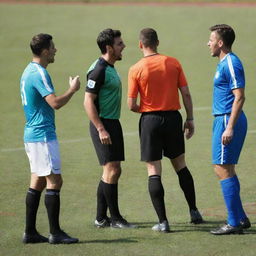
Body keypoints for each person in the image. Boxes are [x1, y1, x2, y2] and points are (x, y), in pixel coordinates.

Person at [128, 28, 203, 233]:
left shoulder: (135, 68)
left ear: (140, 45)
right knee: (180, 165)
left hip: (150, 121)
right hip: (173, 118)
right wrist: (189, 118)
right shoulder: (173, 62)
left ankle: (163, 222)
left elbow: (131, 104)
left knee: (154, 170)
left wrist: (146, 110)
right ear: (158, 42)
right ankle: (194, 211)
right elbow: (186, 94)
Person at [20, 33, 80, 244]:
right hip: (42, 135)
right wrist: (72, 90)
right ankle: (55, 233)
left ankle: (30, 232)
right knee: (55, 180)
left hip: (32, 134)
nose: (55, 50)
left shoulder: (27, 70)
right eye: (53, 47)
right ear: (45, 51)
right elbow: (54, 102)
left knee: (37, 181)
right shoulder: (40, 73)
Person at [83, 28, 135, 229]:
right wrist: (100, 129)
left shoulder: (109, 67)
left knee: (111, 170)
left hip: (112, 122)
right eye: (119, 44)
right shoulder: (99, 70)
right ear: (108, 48)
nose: (123, 46)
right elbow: (88, 101)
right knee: (112, 170)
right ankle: (115, 218)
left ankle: (100, 218)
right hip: (103, 124)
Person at [207, 24, 251, 235]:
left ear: (221, 43)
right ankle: (240, 218)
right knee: (226, 168)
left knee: (222, 168)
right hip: (222, 119)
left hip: (227, 120)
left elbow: (239, 96)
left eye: (211, 39)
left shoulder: (231, 63)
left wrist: (230, 127)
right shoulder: (223, 62)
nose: (208, 43)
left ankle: (233, 223)